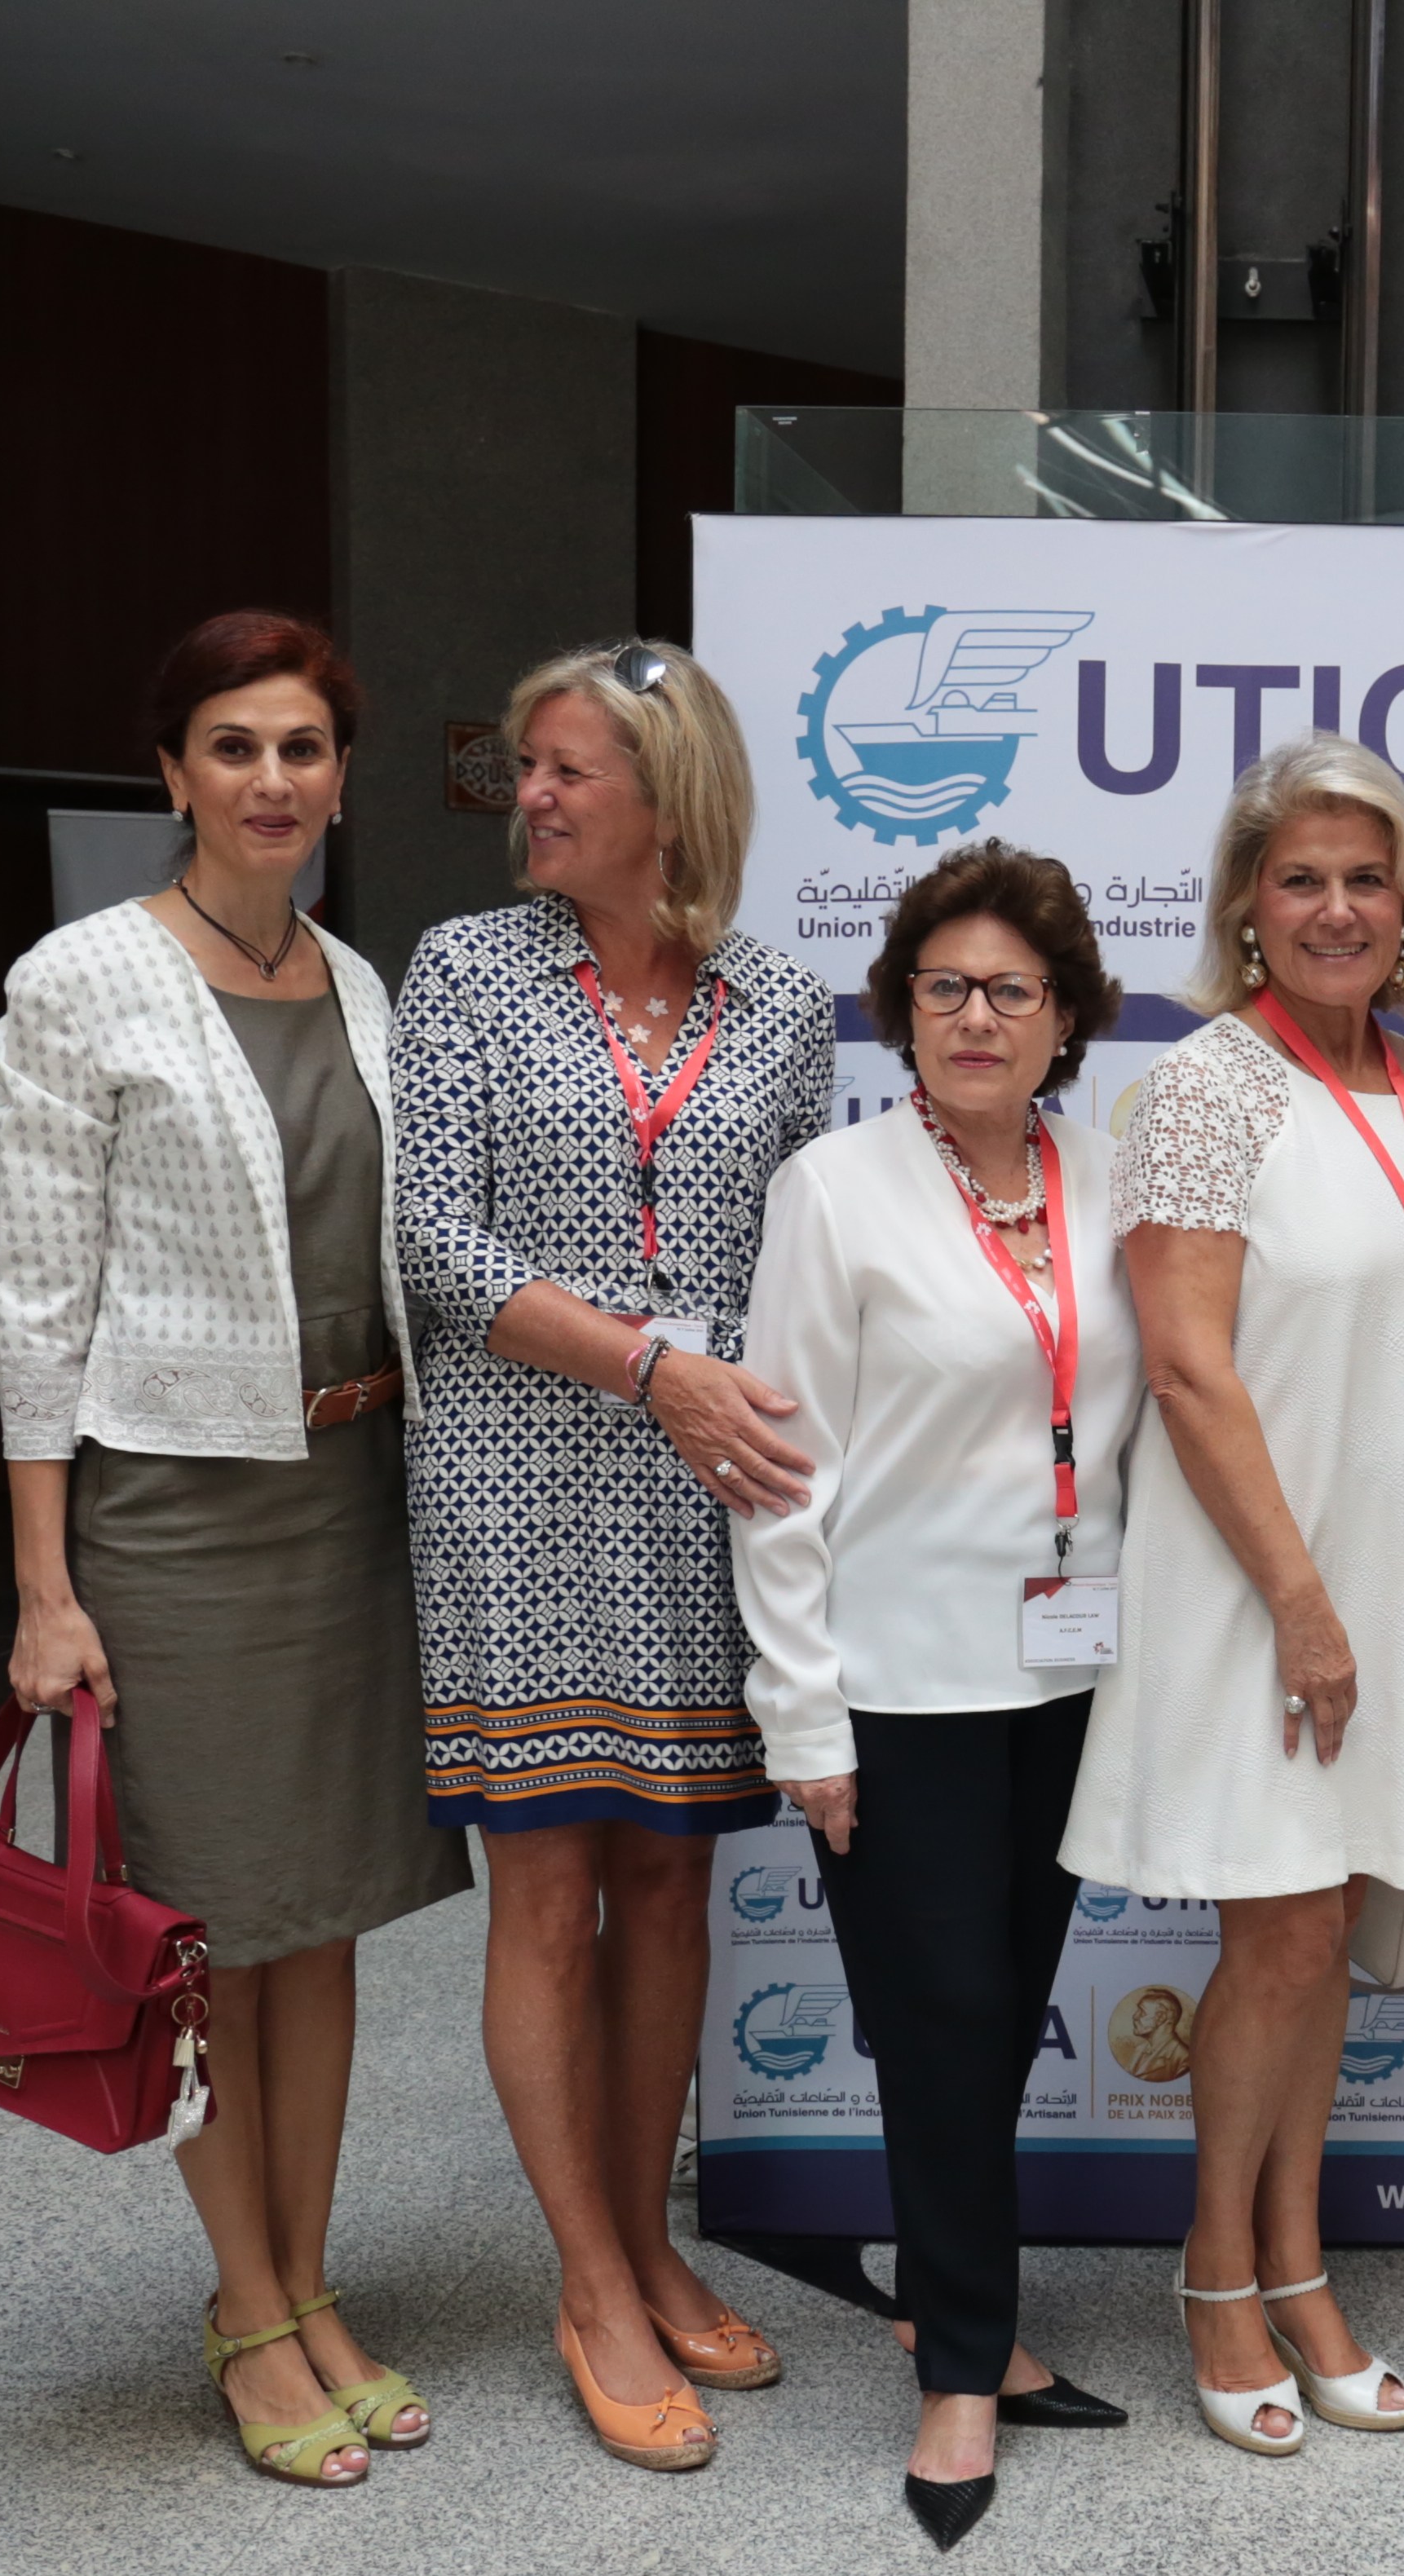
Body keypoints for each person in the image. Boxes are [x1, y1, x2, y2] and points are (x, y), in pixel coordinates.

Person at [0, 608, 470, 2487]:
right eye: (236, 746)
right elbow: (36, 1298)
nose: (274, 780)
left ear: (343, 778)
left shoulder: (362, 983)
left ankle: (309, 2280)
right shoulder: (82, 981)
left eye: (305, 748)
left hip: (348, 1504)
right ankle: (248, 2308)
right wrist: (46, 1590)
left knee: (318, 1922)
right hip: (176, 1520)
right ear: (172, 773)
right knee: (207, 1927)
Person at [393, 640, 834, 2474]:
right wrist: (653, 1365)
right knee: (547, 1889)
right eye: (529, 767)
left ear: (670, 796)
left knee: (669, 1890)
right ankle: (588, 2282)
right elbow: (435, 1242)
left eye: (569, 770)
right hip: (511, 1490)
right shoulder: (464, 971)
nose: (534, 797)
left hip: (702, 1501)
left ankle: (652, 2240)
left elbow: (802, 1260)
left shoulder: (782, 1003)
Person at [1060, 734, 1404, 2457]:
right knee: (1282, 1934)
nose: (1335, 908)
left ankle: (1300, 2263)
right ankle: (1219, 2276)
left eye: (1366, 879)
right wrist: (1305, 1607)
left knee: (1326, 1940)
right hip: (1263, 1585)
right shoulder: (1208, 1088)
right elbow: (1186, 1368)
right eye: (1300, 878)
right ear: (1247, 903)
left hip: (1396, 1573)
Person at [735, 841, 1144, 2548]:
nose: (977, 1016)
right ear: (903, 1009)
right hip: (898, 1688)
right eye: (945, 987)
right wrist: (804, 1718)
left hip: (1071, 1675)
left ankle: (943, 2298)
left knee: (998, 2016)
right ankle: (965, 2372)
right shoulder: (835, 1190)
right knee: (946, 2028)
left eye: (1011, 990)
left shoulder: (1110, 1177)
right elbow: (778, 1476)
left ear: (1065, 1017)